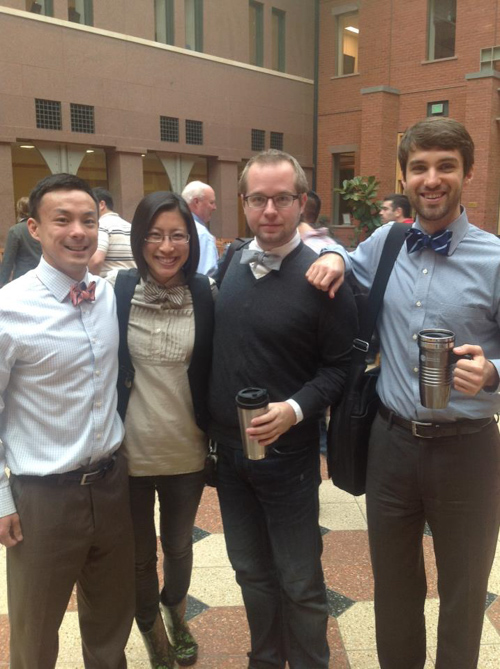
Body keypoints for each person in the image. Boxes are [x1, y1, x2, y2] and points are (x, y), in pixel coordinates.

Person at [306, 117, 500, 669]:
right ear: (405, 176)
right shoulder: (387, 241)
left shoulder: (495, 259)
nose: (431, 179)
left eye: (445, 166)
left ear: (467, 173)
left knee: (463, 595)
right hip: (391, 442)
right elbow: (348, 263)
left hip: (469, 449)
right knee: (393, 591)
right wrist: (331, 256)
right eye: (419, 168)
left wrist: (492, 372)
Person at [208, 149, 357, 668]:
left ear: (301, 203)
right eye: (258, 199)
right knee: (250, 572)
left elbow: (342, 369)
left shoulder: (324, 278)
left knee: (299, 580)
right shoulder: (230, 262)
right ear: (243, 202)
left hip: (289, 459)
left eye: (282, 199)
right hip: (231, 458)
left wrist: (295, 409)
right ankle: (266, 661)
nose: (269, 210)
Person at [0, 173, 135, 668]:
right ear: (33, 228)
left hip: (110, 484)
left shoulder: (107, 295)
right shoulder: (8, 309)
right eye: (63, 220)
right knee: (35, 634)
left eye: (88, 220)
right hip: (43, 498)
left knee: (109, 627)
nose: (79, 231)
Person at [109, 191, 214, 668]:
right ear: (138, 239)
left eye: (177, 235)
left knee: (177, 546)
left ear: (191, 240)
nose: (166, 246)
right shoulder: (115, 289)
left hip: (186, 452)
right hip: (128, 454)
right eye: (154, 234)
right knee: (136, 558)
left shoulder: (207, 295)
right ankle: (151, 631)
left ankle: (175, 611)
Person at [88, 187, 136, 277]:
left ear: (101, 204)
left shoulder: (102, 225)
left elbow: (96, 261)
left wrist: (87, 282)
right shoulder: (129, 227)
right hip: (134, 285)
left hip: (111, 285)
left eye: (90, 205)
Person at [0, 196, 42, 286]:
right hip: (43, 278)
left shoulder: (15, 230)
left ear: (19, 210)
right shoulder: (43, 228)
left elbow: (8, 261)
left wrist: (1, 283)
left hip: (22, 279)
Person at [181, 181, 219, 274]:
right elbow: (208, 279)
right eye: (211, 202)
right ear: (196, 202)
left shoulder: (175, 227)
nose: (215, 208)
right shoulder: (202, 235)